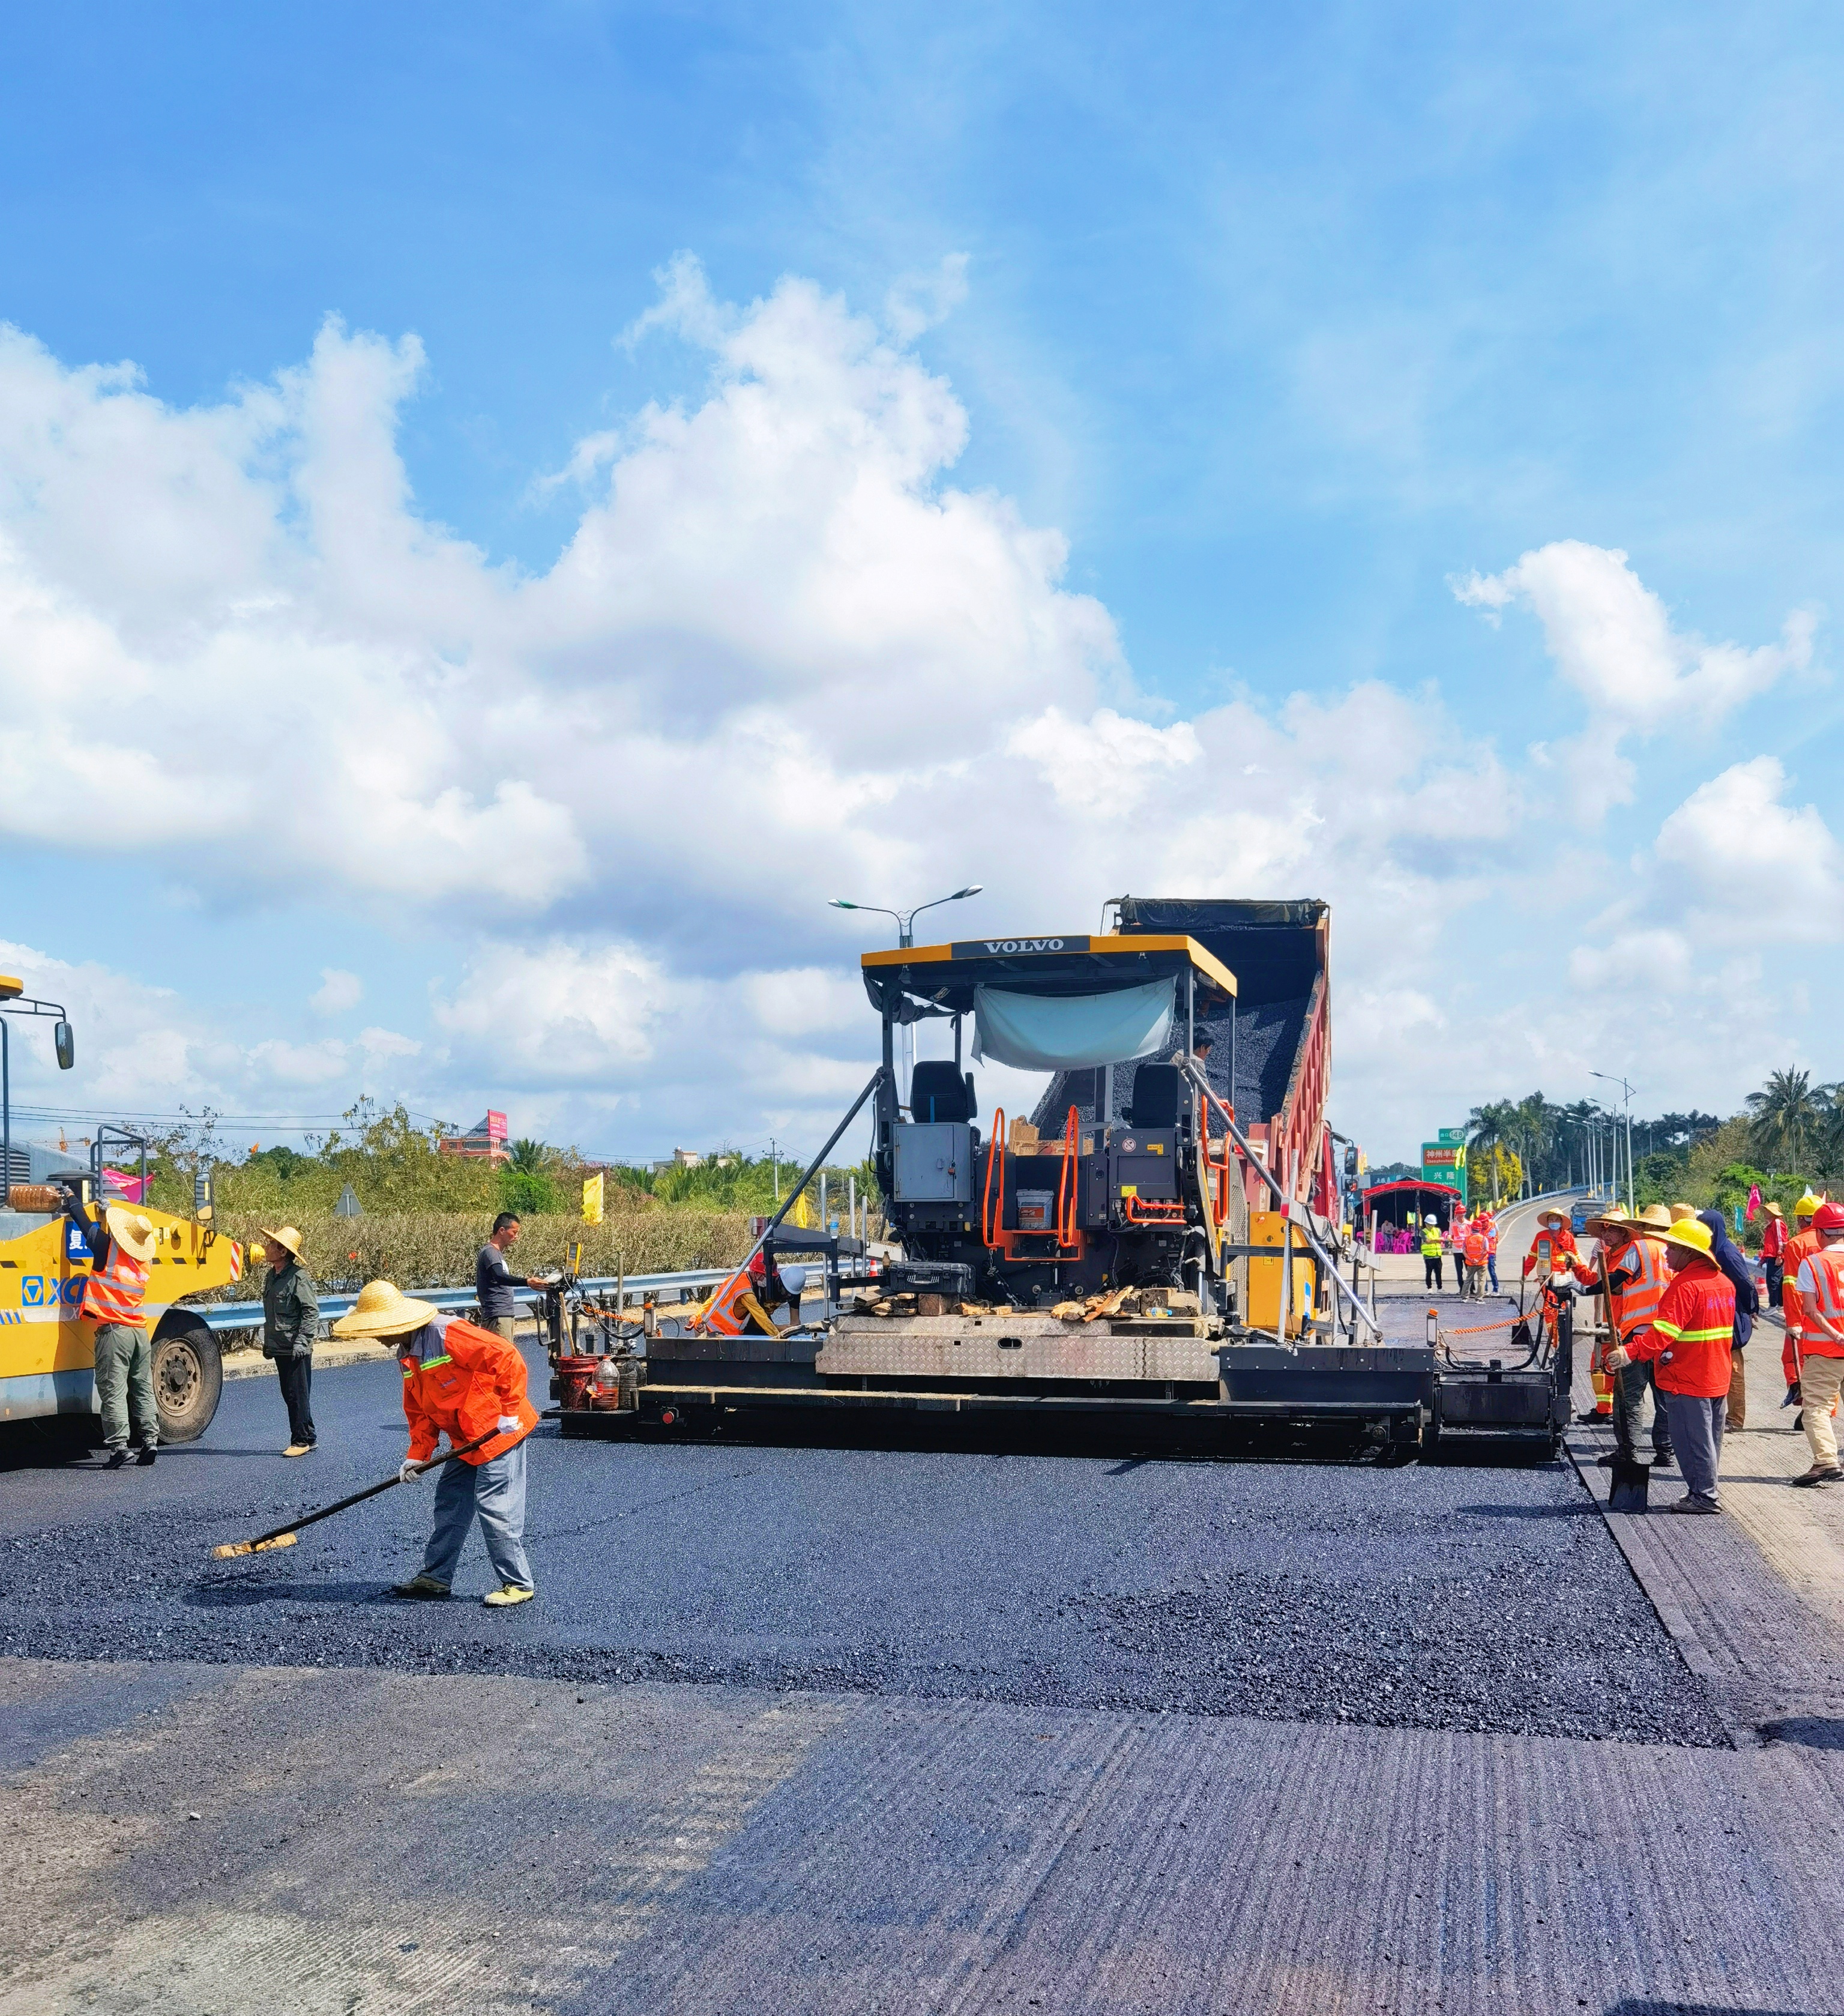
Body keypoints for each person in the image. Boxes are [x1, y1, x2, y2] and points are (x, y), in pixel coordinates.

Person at [331, 1279, 540, 1605]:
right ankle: (435, 1578)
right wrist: (418, 1454)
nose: (376, 1337)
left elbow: (506, 1356)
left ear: (397, 1323)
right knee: (450, 1503)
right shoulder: (407, 1352)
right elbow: (419, 1407)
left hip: (497, 1429)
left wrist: (510, 1410)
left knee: (495, 1507)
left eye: (378, 1329)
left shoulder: (448, 1333)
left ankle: (519, 1584)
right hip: (465, 1438)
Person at [1604, 1213, 1736, 1514]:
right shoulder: (1723, 1283)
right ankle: (1707, 1490)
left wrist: (1630, 1352)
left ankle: (1704, 1497)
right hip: (1716, 1374)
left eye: (1672, 1248)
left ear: (1689, 1252)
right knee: (1710, 1441)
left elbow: (1664, 1333)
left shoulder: (1685, 1287)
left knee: (1692, 1441)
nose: (1666, 1253)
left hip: (1687, 1376)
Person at [1574, 1206, 1672, 1458]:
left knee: (1629, 1396)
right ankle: (1665, 1451)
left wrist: (1584, 1290)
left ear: (1641, 1228)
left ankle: (1628, 1451)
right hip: (1668, 1334)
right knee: (1664, 1397)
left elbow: (1615, 1280)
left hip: (1638, 1333)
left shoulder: (1639, 1249)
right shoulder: (1675, 1252)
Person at [81, 1204, 161, 1469]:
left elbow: (83, 1224)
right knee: (142, 1387)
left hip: (115, 1332)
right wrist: (105, 1220)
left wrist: (70, 1198)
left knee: (113, 1390)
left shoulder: (105, 1249)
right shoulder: (143, 1262)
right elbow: (105, 1238)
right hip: (140, 1331)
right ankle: (150, 1441)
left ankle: (119, 1447)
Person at [1787, 1201, 1844, 1486]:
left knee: (1817, 1408)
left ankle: (1825, 1462)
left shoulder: (1814, 1263)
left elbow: (1810, 1309)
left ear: (1820, 1232)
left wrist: (1835, 1336)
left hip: (1826, 1351)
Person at [259, 1225, 320, 1456]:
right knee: (291, 1393)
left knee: (297, 1394)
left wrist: (303, 1342)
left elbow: (311, 1311)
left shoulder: (298, 1277)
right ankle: (310, 1436)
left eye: (272, 1245)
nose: (266, 1248)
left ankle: (301, 1441)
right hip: (280, 1345)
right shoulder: (272, 1276)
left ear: (283, 1251)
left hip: (296, 1347)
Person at [1698, 1209, 1758, 1434]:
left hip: (1733, 1316)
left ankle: (1735, 1418)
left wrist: (1752, 1309)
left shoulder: (1725, 1253)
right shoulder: (1713, 1250)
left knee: (1734, 1369)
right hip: (1720, 1313)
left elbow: (1745, 1283)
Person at [1780, 1195, 1826, 1408]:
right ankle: (1823, 1410)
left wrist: (1793, 1322)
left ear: (1801, 1220)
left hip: (1803, 1315)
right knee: (1827, 1367)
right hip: (1832, 1319)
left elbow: (1791, 1285)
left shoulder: (1796, 1244)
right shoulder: (1833, 1243)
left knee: (1794, 1360)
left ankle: (1801, 1397)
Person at [476, 1212, 544, 1343]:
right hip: (498, 1316)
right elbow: (500, 1277)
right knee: (502, 1359)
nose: (516, 1237)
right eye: (514, 1232)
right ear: (502, 1230)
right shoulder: (490, 1252)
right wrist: (527, 1282)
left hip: (502, 1315)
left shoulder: (496, 1253)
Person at [1523, 1206, 1578, 1279]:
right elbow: (1532, 1257)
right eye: (1551, 1220)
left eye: (1557, 1220)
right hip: (1545, 1273)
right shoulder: (1541, 1236)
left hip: (1564, 1273)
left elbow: (1575, 1257)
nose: (1554, 1222)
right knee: (1547, 1291)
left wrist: (1580, 1275)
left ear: (1561, 1222)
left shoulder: (1569, 1236)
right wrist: (1525, 1274)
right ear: (1548, 1222)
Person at [1760, 1202, 1788, 1311]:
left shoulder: (1777, 1223)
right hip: (1771, 1256)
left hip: (1775, 1256)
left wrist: (1780, 1255)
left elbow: (1781, 1240)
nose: (1765, 1213)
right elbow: (1769, 1244)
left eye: (1767, 1211)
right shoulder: (1771, 1224)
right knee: (1775, 1280)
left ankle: (1774, 1305)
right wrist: (1763, 1258)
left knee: (1773, 1281)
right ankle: (1779, 1304)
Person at [1463, 1218, 1489, 1300]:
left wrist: (1471, 1260)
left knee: (1468, 1280)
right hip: (1482, 1263)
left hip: (1470, 1264)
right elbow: (1486, 1251)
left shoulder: (1467, 1239)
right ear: (1480, 1229)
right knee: (1481, 1281)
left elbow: (1464, 1251)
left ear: (1472, 1228)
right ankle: (1479, 1298)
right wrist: (1479, 1260)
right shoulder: (1484, 1239)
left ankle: (1464, 1297)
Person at [1420, 1214, 1443, 1291]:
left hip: (1437, 1255)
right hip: (1428, 1256)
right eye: (1430, 1225)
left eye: (1433, 1225)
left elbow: (1441, 1240)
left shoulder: (1438, 1230)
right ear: (1426, 1224)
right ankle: (1429, 1288)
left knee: (1438, 1273)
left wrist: (1434, 1240)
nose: (1431, 1226)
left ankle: (1440, 1288)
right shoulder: (1423, 1232)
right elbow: (1428, 1241)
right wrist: (1437, 1240)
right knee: (1429, 1273)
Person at [1482, 1210, 1500, 1294]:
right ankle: (1485, 1289)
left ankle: (1495, 1289)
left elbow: (1495, 1237)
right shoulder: (1481, 1227)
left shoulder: (1493, 1225)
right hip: (1483, 1253)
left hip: (1491, 1252)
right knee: (1483, 1272)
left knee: (1491, 1271)